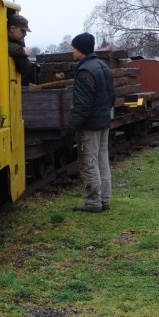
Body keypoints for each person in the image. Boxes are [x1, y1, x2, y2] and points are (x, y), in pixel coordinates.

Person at [66, 32, 115, 213]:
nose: (72, 50)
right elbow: (112, 96)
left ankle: (93, 203)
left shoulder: (85, 70)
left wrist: (71, 128)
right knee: (102, 161)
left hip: (90, 126)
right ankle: (105, 200)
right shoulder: (103, 66)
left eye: (74, 47)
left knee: (88, 162)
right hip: (103, 122)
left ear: (82, 49)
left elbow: (82, 105)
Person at [7, 14, 37, 83]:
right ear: (12, 29)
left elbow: (24, 68)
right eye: (22, 31)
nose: (25, 34)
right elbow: (3, 45)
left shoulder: (18, 41)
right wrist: (23, 51)